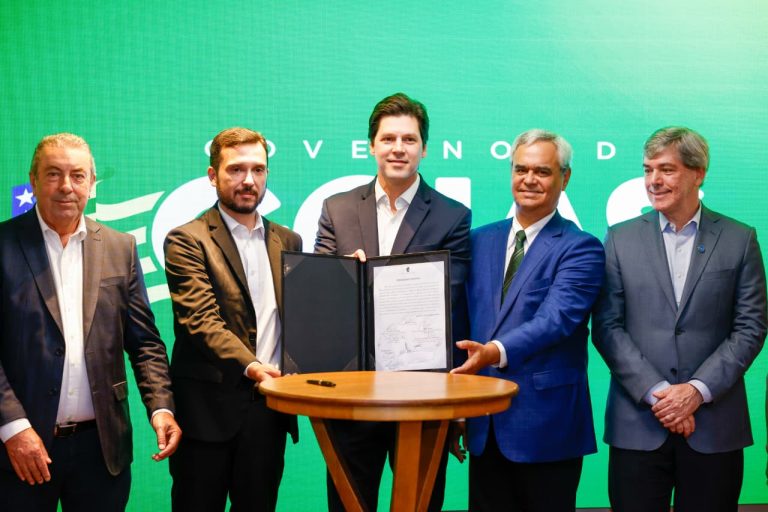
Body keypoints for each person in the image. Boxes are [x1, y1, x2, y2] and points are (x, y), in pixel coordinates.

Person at [0, 133, 180, 511]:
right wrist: (13, 426)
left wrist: (160, 407)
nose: (66, 186)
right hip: (20, 447)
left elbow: (145, 343)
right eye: (53, 174)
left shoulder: (120, 247)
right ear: (33, 179)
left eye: (78, 175)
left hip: (102, 450)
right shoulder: (4, 244)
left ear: (92, 183)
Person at [592, 126, 767, 512]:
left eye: (666, 169)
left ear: (698, 173)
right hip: (638, 425)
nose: (653, 180)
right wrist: (660, 394)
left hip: (714, 427)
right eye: (648, 169)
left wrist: (696, 391)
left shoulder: (739, 239)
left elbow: (750, 327)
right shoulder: (619, 239)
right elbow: (606, 327)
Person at [315, 92, 471, 511]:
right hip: (351, 391)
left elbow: (448, 299)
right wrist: (342, 281)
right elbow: (322, 299)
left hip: (422, 392)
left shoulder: (453, 216)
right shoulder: (337, 209)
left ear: (424, 148)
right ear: (371, 145)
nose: (398, 148)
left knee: (420, 505)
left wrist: (367, 285)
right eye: (388, 139)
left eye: (408, 139)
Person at [450, 129, 604, 511]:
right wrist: (455, 407)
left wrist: (493, 351)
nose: (529, 179)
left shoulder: (581, 247)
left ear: (565, 178)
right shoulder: (479, 240)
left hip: (547, 426)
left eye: (542, 171)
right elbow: (459, 321)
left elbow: (556, 320)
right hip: (484, 421)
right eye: (521, 169)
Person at [164, 127, 301, 512]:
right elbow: (200, 320)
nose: (248, 180)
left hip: (269, 412)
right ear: (213, 176)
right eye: (236, 169)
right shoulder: (187, 240)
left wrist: (348, 278)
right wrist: (253, 367)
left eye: (258, 169)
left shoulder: (289, 241)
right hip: (205, 415)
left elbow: (305, 319)